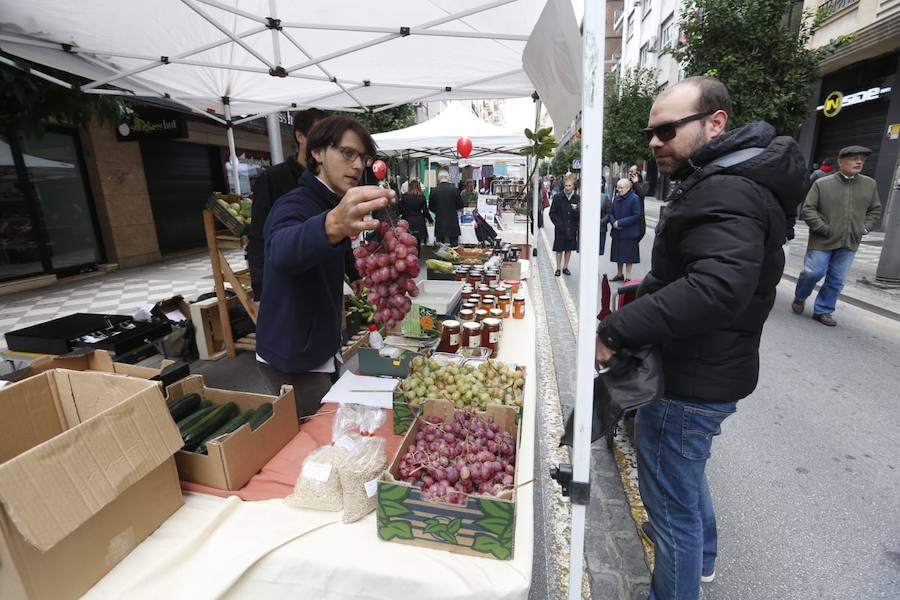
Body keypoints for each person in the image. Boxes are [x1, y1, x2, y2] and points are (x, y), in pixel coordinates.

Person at [594, 76, 806, 600]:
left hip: (691, 378)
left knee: (671, 509)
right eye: (651, 130)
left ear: (715, 123)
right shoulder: (727, 177)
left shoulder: (728, 187)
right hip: (708, 367)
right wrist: (654, 288)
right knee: (683, 480)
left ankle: (681, 576)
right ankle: (703, 556)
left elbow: (715, 288)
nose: (654, 141)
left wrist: (618, 329)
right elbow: (709, 271)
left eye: (666, 129)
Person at [255, 116, 392, 419]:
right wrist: (332, 225)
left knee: (333, 426)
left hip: (321, 347)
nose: (358, 165)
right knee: (316, 439)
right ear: (317, 153)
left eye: (363, 158)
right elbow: (280, 250)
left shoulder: (332, 202)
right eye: (347, 153)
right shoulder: (295, 204)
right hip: (294, 360)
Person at [791, 145, 881, 326]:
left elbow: (875, 209)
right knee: (812, 272)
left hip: (850, 242)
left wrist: (864, 228)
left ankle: (823, 310)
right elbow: (808, 210)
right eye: (854, 158)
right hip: (822, 240)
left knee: (837, 279)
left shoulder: (869, 184)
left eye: (862, 159)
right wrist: (824, 229)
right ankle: (800, 296)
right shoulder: (822, 184)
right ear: (840, 162)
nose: (859, 162)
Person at [246, 108, 327, 303]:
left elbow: (338, 225)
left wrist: (351, 270)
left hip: (322, 278)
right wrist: (261, 289)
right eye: (320, 136)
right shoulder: (273, 179)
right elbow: (258, 236)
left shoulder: (326, 179)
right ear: (300, 136)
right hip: (285, 281)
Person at [609, 178, 642, 281]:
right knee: (618, 254)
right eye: (618, 187)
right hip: (617, 231)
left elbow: (637, 215)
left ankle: (628, 276)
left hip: (629, 233)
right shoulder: (616, 198)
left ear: (628, 188)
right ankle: (619, 274)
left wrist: (620, 223)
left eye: (621, 187)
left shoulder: (634, 198)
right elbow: (610, 212)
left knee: (628, 256)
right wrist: (613, 222)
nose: (619, 189)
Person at [549, 173, 579, 276]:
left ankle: (565, 267)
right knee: (559, 249)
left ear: (573, 186)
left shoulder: (577, 198)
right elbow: (552, 213)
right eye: (566, 185)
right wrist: (559, 225)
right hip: (561, 228)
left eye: (570, 186)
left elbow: (581, 214)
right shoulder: (558, 197)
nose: (567, 188)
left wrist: (576, 210)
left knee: (568, 249)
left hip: (572, 228)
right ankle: (558, 268)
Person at [430, 170, 464, 246]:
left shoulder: (434, 191)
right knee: (454, 245)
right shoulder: (455, 190)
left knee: (440, 246)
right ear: (448, 178)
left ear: (439, 178)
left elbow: (431, 207)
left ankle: (439, 258)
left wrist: (438, 211)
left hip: (440, 220)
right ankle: (455, 258)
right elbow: (460, 205)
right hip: (452, 221)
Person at [399, 179, 433, 252]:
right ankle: (417, 258)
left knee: (407, 242)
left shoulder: (404, 197)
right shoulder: (422, 197)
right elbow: (426, 211)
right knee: (417, 243)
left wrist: (404, 214)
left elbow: (400, 209)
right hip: (419, 222)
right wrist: (430, 220)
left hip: (407, 222)